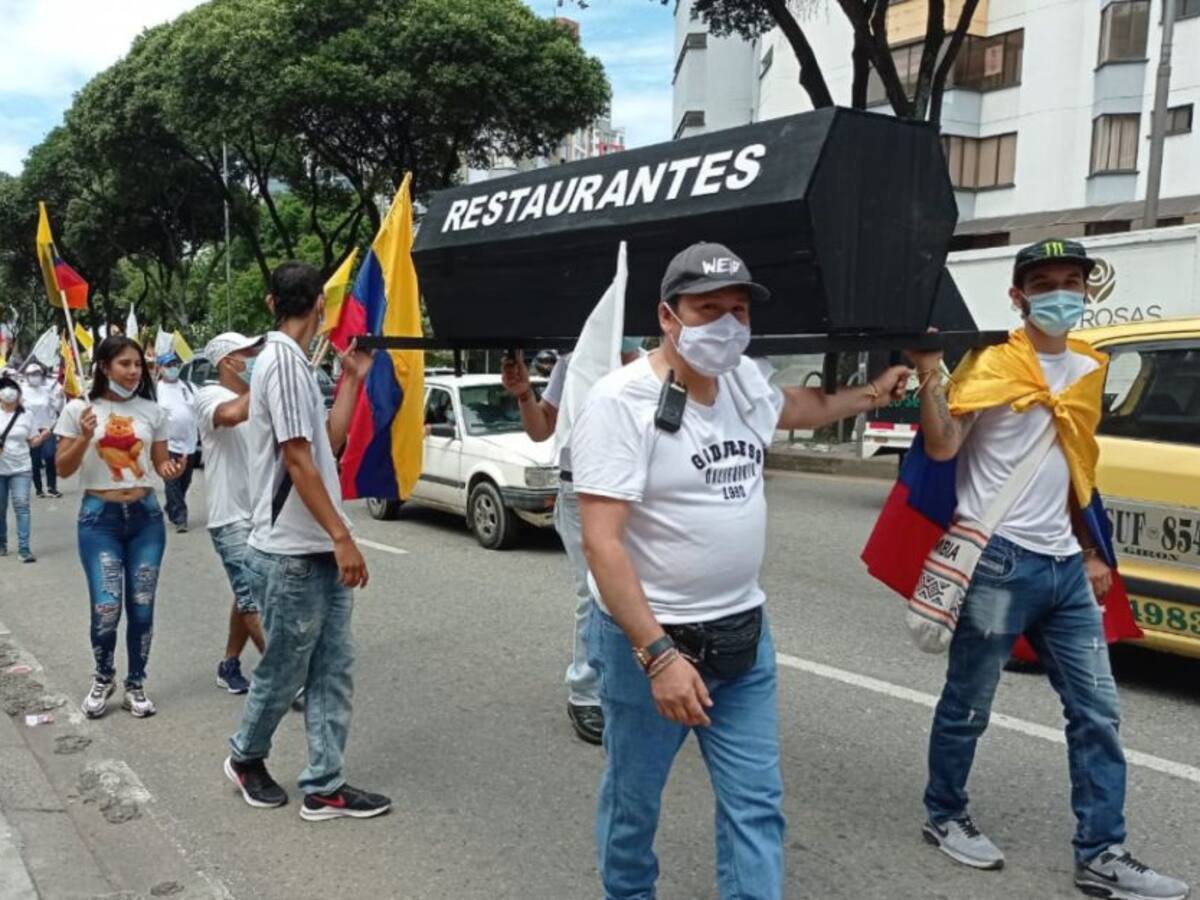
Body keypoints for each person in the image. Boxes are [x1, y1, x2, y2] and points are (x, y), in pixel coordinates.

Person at [572, 242, 910, 899]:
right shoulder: (620, 402)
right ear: (668, 317)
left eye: (739, 310)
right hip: (652, 646)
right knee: (634, 803)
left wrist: (871, 393)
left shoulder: (745, 383)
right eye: (709, 309)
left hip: (743, 638)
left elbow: (796, 407)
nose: (727, 324)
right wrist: (659, 656)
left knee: (756, 805)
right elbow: (602, 544)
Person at [908, 239, 1189, 900]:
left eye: (1072, 281)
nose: (1060, 293)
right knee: (969, 703)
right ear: (1018, 296)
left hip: (1066, 568)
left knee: (1098, 711)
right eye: (1044, 282)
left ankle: (1102, 852)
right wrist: (928, 375)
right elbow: (945, 445)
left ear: (1087, 292)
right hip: (1000, 562)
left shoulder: (1090, 368)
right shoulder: (993, 364)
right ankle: (944, 813)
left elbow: (1076, 465)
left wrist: (1091, 551)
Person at [224, 260, 390, 822]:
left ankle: (324, 784)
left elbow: (324, 445)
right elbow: (297, 460)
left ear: (272, 302)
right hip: (292, 553)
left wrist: (352, 380)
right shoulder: (283, 364)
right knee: (287, 669)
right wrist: (343, 536)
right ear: (321, 303)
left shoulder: (291, 365)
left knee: (332, 667)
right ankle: (246, 757)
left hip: (310, 548)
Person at [502, 340, 644, 745]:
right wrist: (524, 394)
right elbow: (540, 428)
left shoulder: (655, 364)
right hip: (581, 489)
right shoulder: (575, 360)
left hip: (634, 489)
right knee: (596, 593)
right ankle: (586, 693)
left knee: (639, 591)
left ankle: (632, 679)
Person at [54, 336, 186, 719]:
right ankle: (104, 675)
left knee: (142, 607)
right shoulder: (79, 409)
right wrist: (83, 434)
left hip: (145, 517)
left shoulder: (152, 411)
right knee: (107, 606)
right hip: (100, 520)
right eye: (125, 364)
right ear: (104, 367)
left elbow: (159, 464)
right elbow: (63, 468)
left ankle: (136, 683)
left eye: (137, 365)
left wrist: (170, 470)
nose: (133, 371)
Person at [196, 332, 267, 695]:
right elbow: (232, 415)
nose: (256, 358)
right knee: (253, 595)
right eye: (249, 353)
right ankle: (281, 675)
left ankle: (229, 664)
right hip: (231, 516)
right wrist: (270, 379)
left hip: (264, 514)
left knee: (246, 594)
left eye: (258, 352)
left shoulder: (262, 400)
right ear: (228, 361)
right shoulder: (210, 395)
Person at [156, 351, 198, 533]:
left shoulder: (188, 387)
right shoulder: (156, 390)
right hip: (168, 445)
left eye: (175, 365)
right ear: (160, 368)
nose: (173, 369)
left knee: (185, 480)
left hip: (189, 444)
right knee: (172, 481)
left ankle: (171, 505)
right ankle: (180, 517)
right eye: (169, 365)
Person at [0, 376, 36, 562]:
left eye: (11, 388)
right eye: (4, 388)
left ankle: (24, 548)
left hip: (21, 467)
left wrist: (44, 436)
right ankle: (2, 543)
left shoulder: (26, 415)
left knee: (22, 506)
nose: (8, 392)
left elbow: (32, 439)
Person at [21, 362, 63, 499]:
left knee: (50, 457)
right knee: (35, 461)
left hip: (47, 428)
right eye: (32, 374)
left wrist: (61, 397)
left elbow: (56, 407)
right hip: (30, 431)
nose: (35, 377)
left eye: (37, 374)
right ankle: (39, 488)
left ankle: (52, 487)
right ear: (26, 376)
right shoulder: (22, 391)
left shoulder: (47, 390)